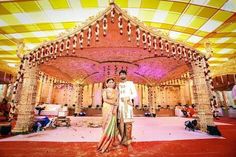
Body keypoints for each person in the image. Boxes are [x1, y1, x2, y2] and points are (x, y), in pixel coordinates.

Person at [97, 78, 119, 153]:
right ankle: (104, 142)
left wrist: (115, 108)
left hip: (113, 108)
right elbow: (105, 100)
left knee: (112, 124)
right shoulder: (105, 91)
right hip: (106, 107)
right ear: (106, 84)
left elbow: (117, 101)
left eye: (112, 82)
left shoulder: (116, 91)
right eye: (109, 82)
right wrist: (114, 103)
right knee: (106, 123)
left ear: (114, 83)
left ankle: (111, 142)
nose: (111, 83)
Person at [117, 70, 137, 151]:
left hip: (127, 106)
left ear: (126, 75)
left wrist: (128, 98)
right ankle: (123, 140)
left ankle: (129, 143)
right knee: (120, 125)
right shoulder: (118, 85)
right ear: (119, 76)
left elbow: (135, 94)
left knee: (128, 124)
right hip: (119, 107)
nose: (122, 75)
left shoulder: (130, 83)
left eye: (123, 74)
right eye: (120, 74)